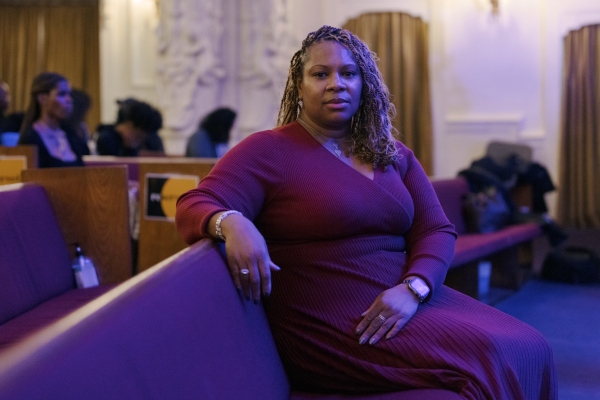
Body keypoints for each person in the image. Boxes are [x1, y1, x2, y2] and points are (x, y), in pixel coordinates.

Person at [175, 26, 557, 399]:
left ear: (364, 84)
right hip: (336, 323)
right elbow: (194, 203)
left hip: (407, 299)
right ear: (299, 87)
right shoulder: (268, 150)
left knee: (530, 346)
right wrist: (231, 222)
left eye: (348, 73)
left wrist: (414, 287)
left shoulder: (391, 153)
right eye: (320, 74)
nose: (336, 83)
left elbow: (436, 229)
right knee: (493, 358)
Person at [18, 72, 89, 167]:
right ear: (42, 99)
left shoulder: (70, 135)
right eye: (62, 94)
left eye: (69, 94)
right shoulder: (30, 139)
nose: (69, 100)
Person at [95, 98, 164, 157]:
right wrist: (130, 148)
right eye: (138, 136)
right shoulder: (106, 138)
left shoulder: (152, 139)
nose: (140, 140)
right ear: (130, 125)